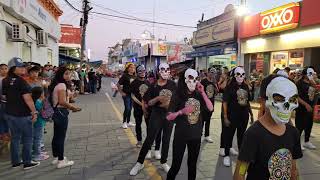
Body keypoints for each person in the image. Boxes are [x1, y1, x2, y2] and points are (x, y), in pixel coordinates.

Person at [234, 76, 302, 180]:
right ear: (263, 101)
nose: (287, 106)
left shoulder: (293, 133)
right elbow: (240, 172)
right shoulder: (253, 134)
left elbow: (293, 169)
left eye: (292, 99)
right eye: (279, 99)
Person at [166, 69, 213, 180]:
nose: (193, 81)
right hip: (181, 136)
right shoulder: (177, 95)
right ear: (185, 79)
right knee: (176, 166)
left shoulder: (198, 94)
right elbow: (168, 116)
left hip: (196, 136)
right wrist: (181, 111)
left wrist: (203, 92)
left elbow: (210, 108)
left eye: (196, 79)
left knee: (192, 166)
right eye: (191, 78)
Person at [130, 63, 176, 176]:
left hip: (169, 116)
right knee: (150, 139)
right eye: (163, 69)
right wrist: (157, 98)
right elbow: (148, 102)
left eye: (167, 69)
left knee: (166, 139)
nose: (165, 71)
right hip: (157, 115)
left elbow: (177, 99)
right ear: (158, 71)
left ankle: (164, 162)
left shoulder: (173, 84)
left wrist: (170, 105)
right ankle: (139, 163)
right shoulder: (153, 86)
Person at [2, 57, 40, 169]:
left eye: (23, 66)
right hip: (22, 115)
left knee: (15, 138)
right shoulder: (21, 81)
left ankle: (15, 162)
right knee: (28, 138)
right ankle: (27, 162)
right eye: (19, 66)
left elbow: (4, 98)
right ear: (13, 68)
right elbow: (28, 99)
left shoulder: (5, 80)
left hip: (9, 114)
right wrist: (34, 112)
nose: (23, 68)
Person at [49, 67, 82, 169]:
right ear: (61, 75)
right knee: (60, 137)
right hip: (61, 112)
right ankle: (61, 160)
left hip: (57, 111)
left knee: (56, 136)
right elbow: (62, 102)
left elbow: (63, 99)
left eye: (70, 74)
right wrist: (73, 108)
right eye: (66, 74)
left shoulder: (57, 84)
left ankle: (56, 157)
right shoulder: (62, 85)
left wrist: (72, 96)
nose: (69, 76)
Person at [222, 66, 254, 167]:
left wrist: (251, 114)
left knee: (241, 136)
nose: (241, 77)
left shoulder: (245, 86)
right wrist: (225, 117)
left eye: (243, 75)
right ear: (235, 75)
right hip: (232, 115)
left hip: (243, 116)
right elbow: (225, 102)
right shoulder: (229, 87)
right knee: (229, 135)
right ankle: (226, 155)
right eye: (239, 75)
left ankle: (242, 155)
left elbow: (248, 101)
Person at [295, 67, 317, 150]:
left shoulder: (310, 82)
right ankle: (297, 143)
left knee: (309, 125)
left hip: (310, 107)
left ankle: (306, 141)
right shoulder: (299, 83)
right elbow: (296, 96)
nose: (311, 76)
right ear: (304, 75)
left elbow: (314, 91)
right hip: (301, 108)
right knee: (300, 126)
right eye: (309, 74)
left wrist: (312, 81)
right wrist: (306, 105)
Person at [130, 65, 149, 147]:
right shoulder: (134, 82)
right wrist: (141, 104)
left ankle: (149, 140)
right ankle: (139, 140)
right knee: (138, 124)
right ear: (137, 73)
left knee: (149, 124)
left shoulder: (148, 82)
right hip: (138, 107)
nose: (142, 73)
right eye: (140, 71)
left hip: (147, 108)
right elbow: (132, 96)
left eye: (143, 71)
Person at [31, 87, 50, 161]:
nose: (44, 94)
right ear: (40, 94)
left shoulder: (36, 101)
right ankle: (37, 154)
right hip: (39, 122)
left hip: (39, 122)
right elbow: (43, 111)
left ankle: (38, 152)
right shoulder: (37, 102)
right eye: (42, 92)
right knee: (38, 138)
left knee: (38, 137)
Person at [200, 67, 218, 143]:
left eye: (214, 73)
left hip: (211, 104)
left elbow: (216, 92)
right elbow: (199, 91)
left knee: (208, 120)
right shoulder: (203, 81)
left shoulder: (214, 82)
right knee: (201, 120)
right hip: (203, 104)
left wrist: (215, 84)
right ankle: (199, 134)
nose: (212, 74)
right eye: (211, 72)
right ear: (208, 72)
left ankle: (207, 135)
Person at [117, 63, 136, 129]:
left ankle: (128, 122)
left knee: (130, 109)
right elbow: (118, 84)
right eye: (131, 67)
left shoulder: (135, 76)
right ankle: (124, 122)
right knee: (127, 108)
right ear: (127, 68)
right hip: (126, 95)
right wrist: (121, 92)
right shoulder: (125, 76)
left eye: (133, 67)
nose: (132, 69)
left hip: (132, 95)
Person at [0, 64, 9, 143]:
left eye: (6, 68)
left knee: (8, 118)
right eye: (2, 69)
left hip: (10, 102)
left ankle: (7, 133)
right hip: (2, 103)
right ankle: (3, 134)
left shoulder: (10, 79)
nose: (4, 70)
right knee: (2, 118)